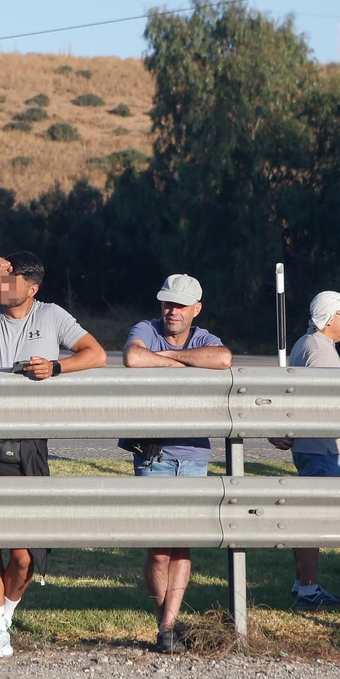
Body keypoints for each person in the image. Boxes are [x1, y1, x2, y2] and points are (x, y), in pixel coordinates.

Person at [0, 251, 106, 659]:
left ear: (31, 288)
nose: (1, 285)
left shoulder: (52, 316)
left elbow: (96, 354)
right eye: (1, 278)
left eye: (9, 279)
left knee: (24, 551)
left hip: (30, 441)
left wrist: (56, 367)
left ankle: (1, 621)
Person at [118, 274, 232, 652]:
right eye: (168, 303)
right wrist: (185, 364)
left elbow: (222, 358)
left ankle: (168, 627)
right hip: (154, 453)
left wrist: (164, 359)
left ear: (196, 309)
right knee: (158, 549)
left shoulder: (205, 339)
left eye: (181, 305)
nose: (172, 311)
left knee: (182, 546)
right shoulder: (144, 330)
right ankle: (164, 622)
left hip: (194, 454)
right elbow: (133, 357)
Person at [282, 291, 340, 608]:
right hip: (322, 448)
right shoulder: (319, 351)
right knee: (312, 519)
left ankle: (301, 582)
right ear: (331, 318)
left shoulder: (310, 345)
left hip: (314, 447)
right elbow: (322, 402)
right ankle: (308, 588)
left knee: (307, 516)